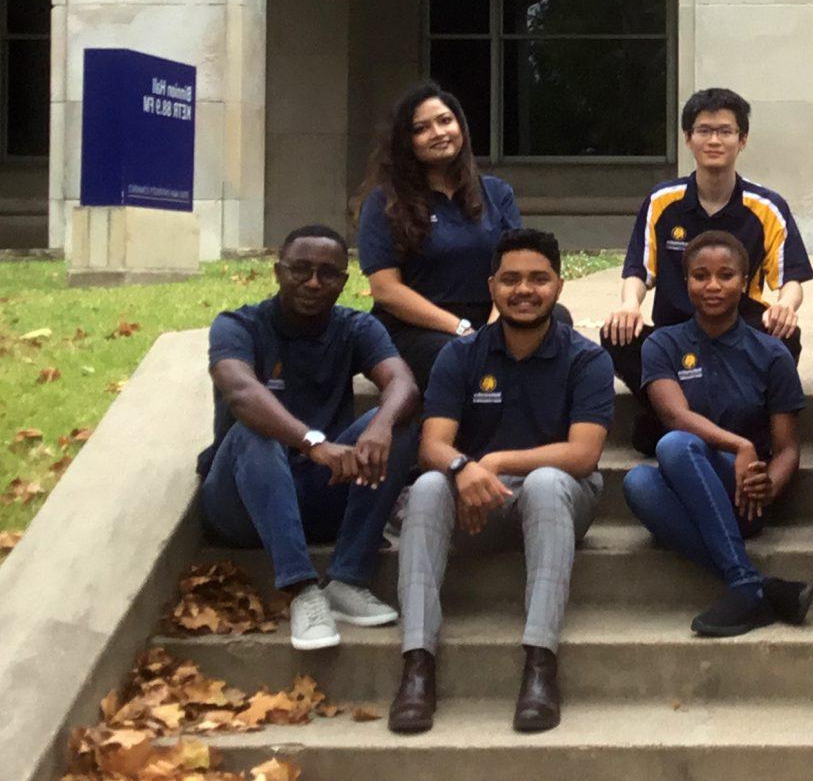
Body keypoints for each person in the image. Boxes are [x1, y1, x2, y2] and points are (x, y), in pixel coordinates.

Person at [389, 229, 614, 736]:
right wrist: (462, 470)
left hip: (561, 503)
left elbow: (584, 454)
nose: (524, 290)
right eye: (510, 279)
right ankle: (417, 666)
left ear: (558, 286)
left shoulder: (587, 359)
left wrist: (490, 462)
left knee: (546, 483)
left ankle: (540, 665)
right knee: (427, 488)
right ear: (492, 287)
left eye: (538, 278)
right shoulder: (461, 355)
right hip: (480, 507)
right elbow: (433, 446)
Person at [199, 224, 421, 652]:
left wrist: (380, 426)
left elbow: (403, 383)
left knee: (400, 422)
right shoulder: (238, 325)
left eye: (328, 273)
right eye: (300, 270)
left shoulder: (354, 327)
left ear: (343, 281)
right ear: (278, 271)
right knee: (255, 433)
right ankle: (303, 591)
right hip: (242, 505)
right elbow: (241, 392)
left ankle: (347, 580)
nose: (314, 283)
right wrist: (313, 443)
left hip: (322, 495)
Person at [624, 231, 813, 637]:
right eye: (700, 276)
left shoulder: (770, 352)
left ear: (744, 282)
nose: (712, 285)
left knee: (674, 447)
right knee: (639, 480)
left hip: (743, 493)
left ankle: (748, 588)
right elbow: (674, 415)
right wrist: (740, 443)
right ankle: (752, 585)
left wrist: (769, 486)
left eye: (725, 275)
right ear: (686, 281)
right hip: (688, 482)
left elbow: (787, 449)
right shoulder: (663, 344)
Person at [603, 88, 813, 452]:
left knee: (785, 336)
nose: (714, 140)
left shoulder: (767, 206)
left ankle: (679, 422)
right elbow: (639, 270)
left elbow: (791, 279)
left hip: (739, 331)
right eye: (704, 130)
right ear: (688, 138)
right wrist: (629, 306)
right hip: (676, 335)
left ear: (742, 140)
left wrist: (786, 306)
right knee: (616, 335)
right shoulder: (662, 201)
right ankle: (699, 417)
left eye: (725, 131)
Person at [357, 82, 526, 389]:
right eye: (422, 128)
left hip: (492, 315)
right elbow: (386, 290)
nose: (438, 133)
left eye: (445, 121)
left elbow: (518, 266)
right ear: (406, 142)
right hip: (414, 327)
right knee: (456, 358)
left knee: (555, 321)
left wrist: (495, 326)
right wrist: (459, 328)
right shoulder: (384, 202)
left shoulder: (496, 193)